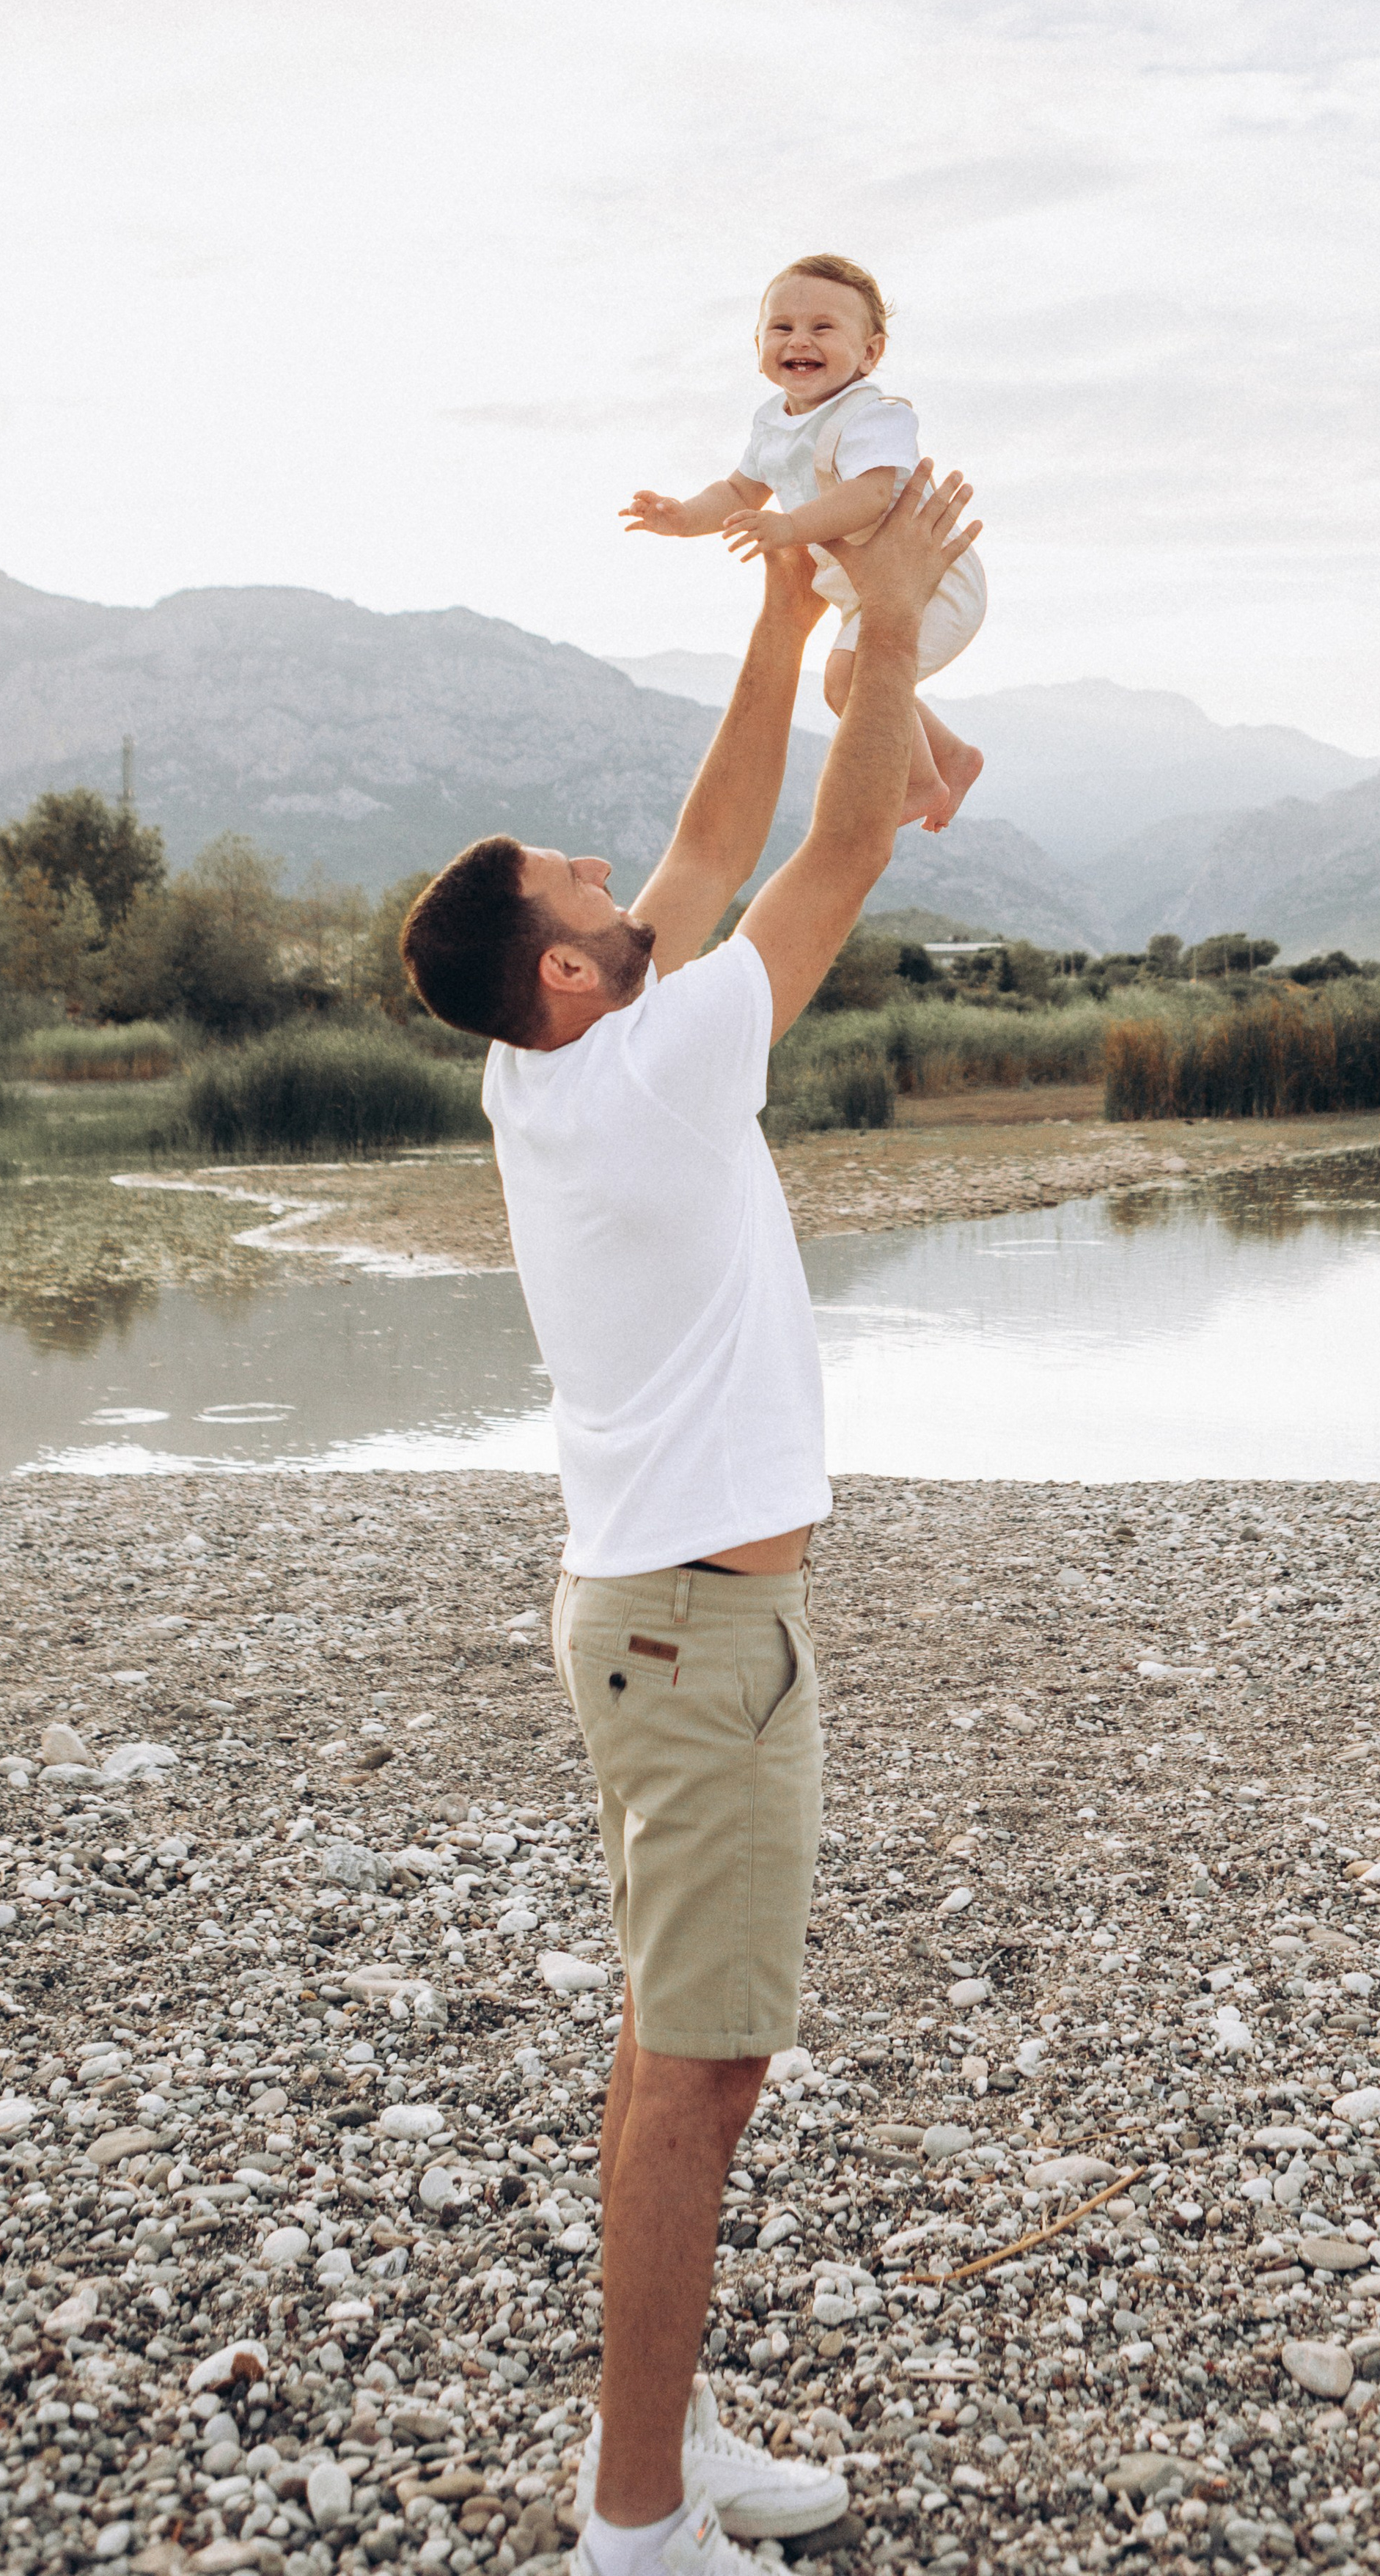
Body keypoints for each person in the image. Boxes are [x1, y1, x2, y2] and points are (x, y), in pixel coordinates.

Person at [400, 466, 980, 2576]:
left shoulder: (550, 1064)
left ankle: (653, 2442)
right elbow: (829, 847)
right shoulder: (653, 1065)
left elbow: (723, 833)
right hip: (690, 1634)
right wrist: (886, 614)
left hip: (669, 1616)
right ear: (569, 978)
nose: (619, 874)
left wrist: (777, 607)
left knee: (674, 2044)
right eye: (584, 882)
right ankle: (636, 2527)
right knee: (704, 2074)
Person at [621, 252, 986, 832]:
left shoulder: (874, 416)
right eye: (782, 327)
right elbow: (741, 489)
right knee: (847, 684)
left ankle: (923, 781)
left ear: (870, 353)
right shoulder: (773, 420)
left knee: (850, 683)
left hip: (928, 582)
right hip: (862, 589)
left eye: (823, 327)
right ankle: (954, 758)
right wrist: (685, 517)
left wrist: (790, 527)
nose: (800, 340)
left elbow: (871, 494)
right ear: (759, 344)